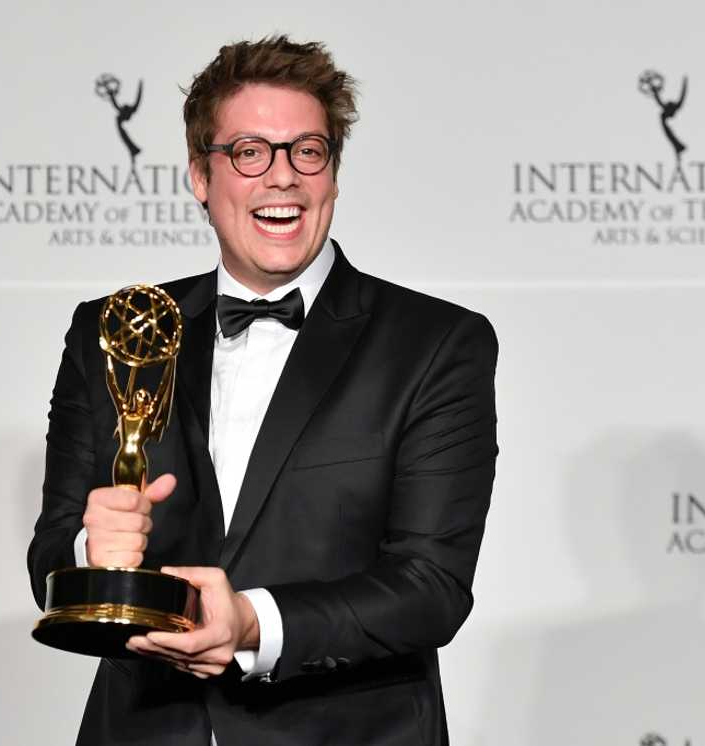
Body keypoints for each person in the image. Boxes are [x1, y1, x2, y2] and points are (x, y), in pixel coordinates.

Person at [27, 35, 498, 746]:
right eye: (250, 152)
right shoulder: (116, 332)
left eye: (306, 151)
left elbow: (430, 587)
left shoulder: (433, 344)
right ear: (199, 174)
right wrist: (97, 553)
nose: (283, 177)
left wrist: (251, 622)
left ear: (332, 175)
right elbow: (50, 561)